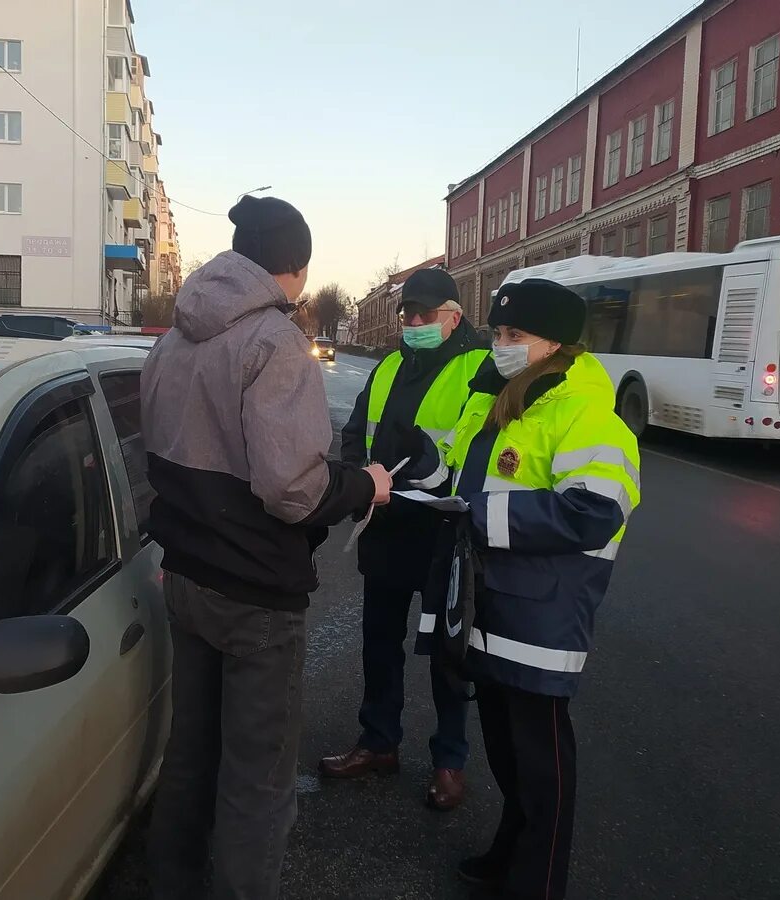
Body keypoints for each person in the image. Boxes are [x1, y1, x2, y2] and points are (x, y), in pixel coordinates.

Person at [141, 195, 393, 900]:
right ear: (296, 267)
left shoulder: (175, 336)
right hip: (255, 597)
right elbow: (293, 490)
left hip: (186, 579)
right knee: (258, 783)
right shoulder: (274, 343)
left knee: (189, 758)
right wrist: (363, 486)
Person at [404, 278, 641, 900]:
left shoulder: (585, 412)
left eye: (516, 336)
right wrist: (419, 466)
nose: (502, 345)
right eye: (500, 333)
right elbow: (460, 470)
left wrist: (477, 516)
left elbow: (595, 509)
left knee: (542, 765)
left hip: (541, 618)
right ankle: (511, 850)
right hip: (490, 605)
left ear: (556, 344)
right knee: (506, 753)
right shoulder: (502, 398)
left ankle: (538, 883)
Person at [319, 268, 489, 813]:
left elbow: (483, 452)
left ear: (453, 316)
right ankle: (378, 742)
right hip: (387, 529)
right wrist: (355, 481)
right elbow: (355, 431)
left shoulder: (479, 368)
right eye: (407, 313)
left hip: (443, 533)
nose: (413, 322)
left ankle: (450, 762)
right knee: (380, 643)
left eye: (424, 314)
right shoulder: (390, 365)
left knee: (447, 654)